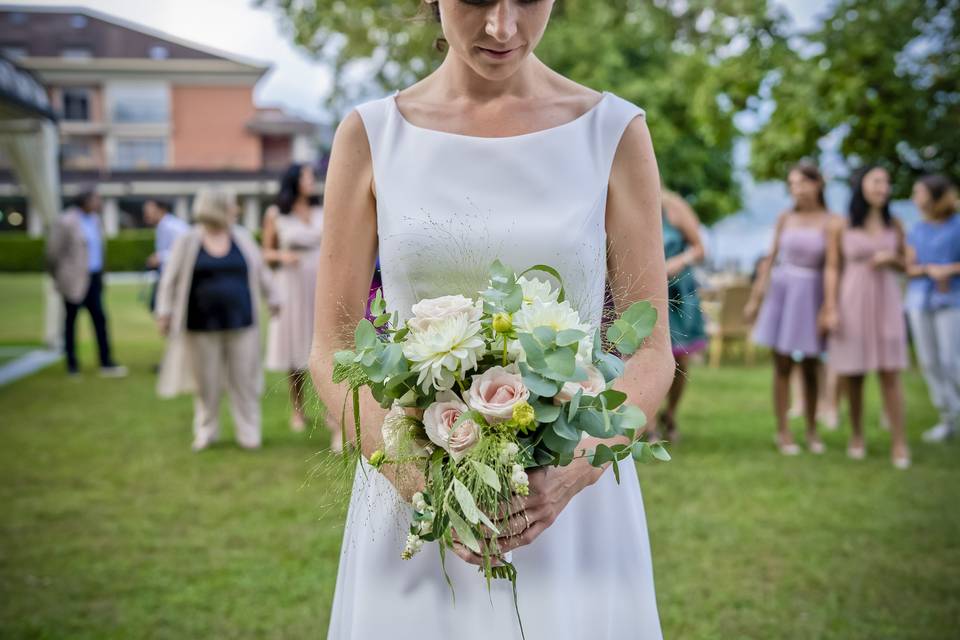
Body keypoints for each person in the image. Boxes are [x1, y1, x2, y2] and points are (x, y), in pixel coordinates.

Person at [309, 1, 674, 637]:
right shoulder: (371, 135)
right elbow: (331, 347)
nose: (502, 27)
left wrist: (574, 469)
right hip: (415, 503)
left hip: (569, 501)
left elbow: (650, 353)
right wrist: (419, 480)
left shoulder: (612, 131)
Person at [155, 187, 280, 452]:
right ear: (218, 206)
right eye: (233, 204)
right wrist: (164, 312)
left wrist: (274, 298)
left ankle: (249, 433)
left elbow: (261, 271)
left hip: (242, 322)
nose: (237, 209)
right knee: (206, 384)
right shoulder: (188, 241)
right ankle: (206, 431)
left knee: (244, 381)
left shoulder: (242, 238)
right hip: (201, 325)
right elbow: (169, 280)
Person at [745, 162, 838, 455]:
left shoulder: (832, 221)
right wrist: (755, 299)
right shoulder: (785, 217)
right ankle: (783, 431)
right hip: (782, 293)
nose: (795, 189)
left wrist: (829, 306)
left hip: (811, 294)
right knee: (782, 365)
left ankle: (812, 430)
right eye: (792, 184)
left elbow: (833, 266)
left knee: (811, 364)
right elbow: (770, 259)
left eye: (801, 183)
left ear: (817, 184)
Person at [822, 165, 910, 468]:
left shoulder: (895, 224)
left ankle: (899, 442)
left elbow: (907, 266)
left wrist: (893, 259)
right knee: (854, 374)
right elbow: (832, 267)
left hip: (886, 301)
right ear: (861, 186)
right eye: (877, 181)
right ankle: (856, 435)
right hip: (852, 300)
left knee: (890, 373)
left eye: (886, 182)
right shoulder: (841, 225)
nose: (883, 187)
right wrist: (831, 307)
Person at [261, 163, 332, 439]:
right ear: (293, 180)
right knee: (295, 346)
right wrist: (282, 256)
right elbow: (265, 252)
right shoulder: (276, 214)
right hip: (291, 283)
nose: (311, 180)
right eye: (306, 176)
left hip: (319, 281)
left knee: (324, 344)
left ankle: (330, 408)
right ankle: (298, 410)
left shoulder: (321, 210)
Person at [45, 187, 127, 378]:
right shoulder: (66, 221)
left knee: (100, 319)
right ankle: (72, 364)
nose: (99, 203)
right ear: (85, 201)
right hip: (73, 279)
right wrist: (60, 277)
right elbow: (52, 253)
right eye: (96, 199)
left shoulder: (96, 220)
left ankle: (106, 362)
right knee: (71, 322)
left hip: (94, 277)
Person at [905, 174, 960, 443]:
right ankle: (947, 417)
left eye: (919, 192)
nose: (915, 198)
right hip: (920, 301)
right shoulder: (917, 230)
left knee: (952, 362)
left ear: (934, 196)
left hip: (952, 300)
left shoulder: (957, 225)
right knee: (929, 362)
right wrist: (928, 269)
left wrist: (948, 269)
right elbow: (910, 267)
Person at [654, 190, 707, 443]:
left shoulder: (674, 206)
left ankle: (671, 413)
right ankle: (649, 423)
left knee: (679, 359)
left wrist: (680, 260)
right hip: (645, 291)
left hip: (678, 293)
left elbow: (700, 249)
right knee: (641, 355)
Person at [143, 199, 189, 311]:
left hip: (175, 276)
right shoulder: (162, 226)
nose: (146, 214)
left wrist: (160, 258)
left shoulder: (174, 227)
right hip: (165, 274)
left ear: (161, 210)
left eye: (149, 210)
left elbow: (186, 250)